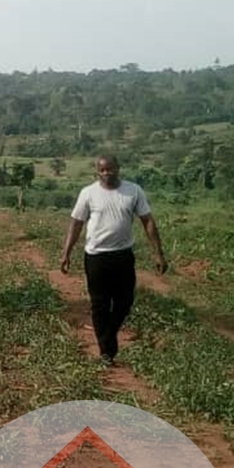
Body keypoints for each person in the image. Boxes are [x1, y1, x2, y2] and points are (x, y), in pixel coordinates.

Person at [59, 155, 168, 366]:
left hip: (123, 256)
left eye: (110, 169)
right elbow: (76, 224)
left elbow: (148, 222)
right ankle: (107, 352)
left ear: (118, 168)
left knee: (125, 302)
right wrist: (66, 253)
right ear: (97, 171)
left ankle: (108, 336)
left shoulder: (133, 191)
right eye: (102, 170)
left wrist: (158, 253)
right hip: (96, 256)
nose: (106, 173)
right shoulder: (88, 193)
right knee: (99, 304)